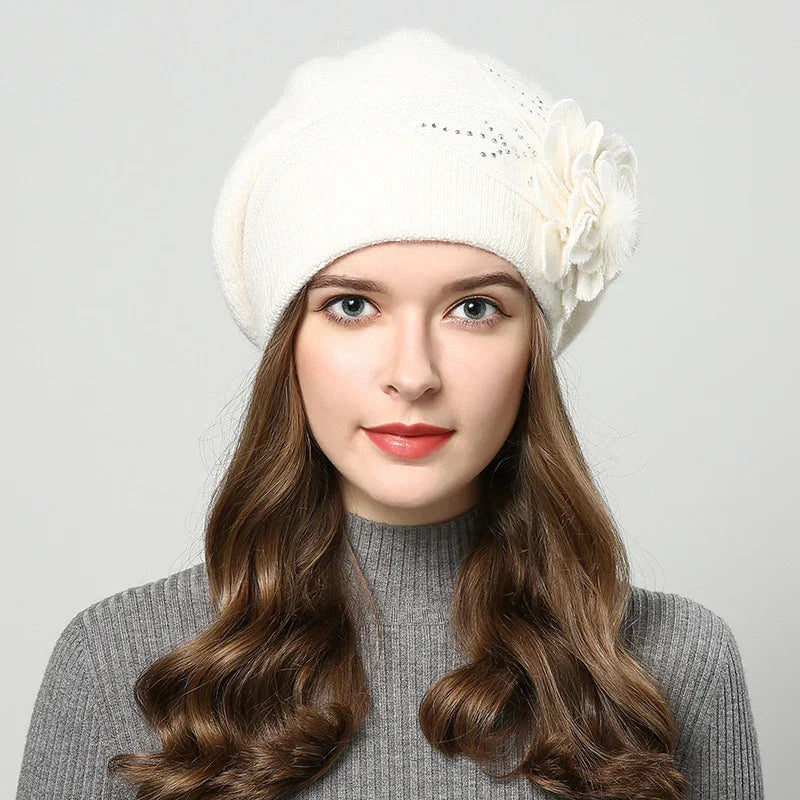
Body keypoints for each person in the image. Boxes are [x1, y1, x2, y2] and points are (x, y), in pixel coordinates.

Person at [15, 27, 764, 800]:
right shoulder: (122, 664)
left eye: (474, 308)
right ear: (289, 345)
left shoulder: (674, 667)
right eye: (352, 305)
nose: (412, 375)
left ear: (533, 349)